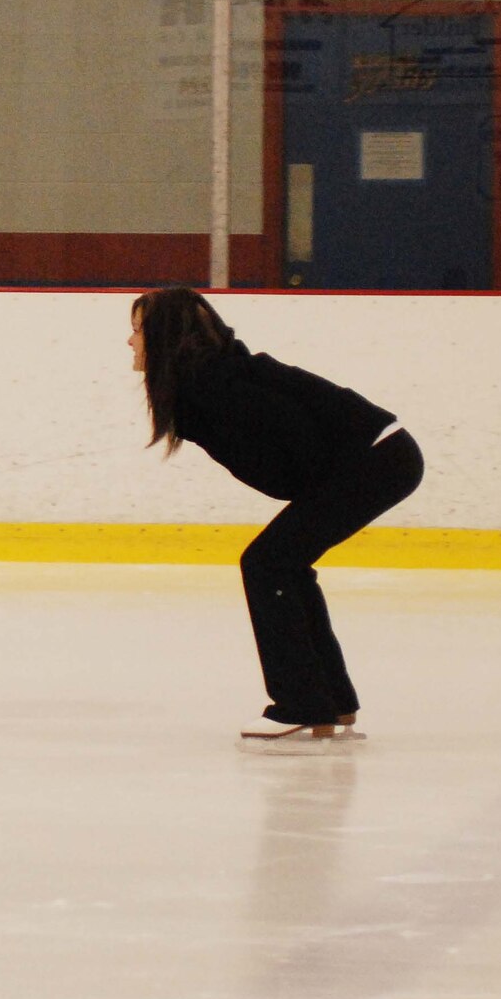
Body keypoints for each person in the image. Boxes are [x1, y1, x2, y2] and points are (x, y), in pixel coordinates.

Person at [129, 288, 424, 752]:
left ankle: (303, 704)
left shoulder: (215, 384)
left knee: (268, 563)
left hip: (377, 457)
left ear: (165, 337)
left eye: (138, 330)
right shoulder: (208, 379)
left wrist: (310, 491)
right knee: (278, 562)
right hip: (377, 454)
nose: (130, 342)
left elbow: (294, 431)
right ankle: (329, 701)